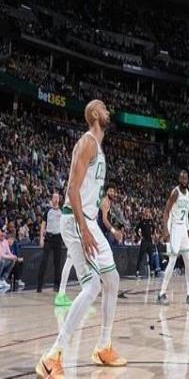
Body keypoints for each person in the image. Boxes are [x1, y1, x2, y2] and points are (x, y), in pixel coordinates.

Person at [36, 100, 126, 378]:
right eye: (104, 108)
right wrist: (84, 229)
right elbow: (72, 189)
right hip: (76, 220)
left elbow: (85, 191)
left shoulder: (98, 147)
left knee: (112, 279)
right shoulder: (87, 142)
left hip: (89, 220)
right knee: (92, 286)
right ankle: (52, 356)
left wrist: (93, 222)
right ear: (95, 114)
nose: (108, 111)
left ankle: (103, 346)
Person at [55, 181, 122, 307]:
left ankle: (66, 294)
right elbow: (104, 220)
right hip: (89, 231)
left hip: (88, 230)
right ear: (107, 191)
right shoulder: (105, 201)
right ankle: (66, 294)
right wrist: (114, 231)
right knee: (74, 263)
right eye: (111, 190)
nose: (112, 193)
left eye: (114, 191)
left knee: (73, 263)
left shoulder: (101, 198)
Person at [158, 170, 189, 306]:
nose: (184, 180)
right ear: (179, 179)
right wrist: (165, 230)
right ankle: (161, 293)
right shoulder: (175, 192)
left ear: (188, 180)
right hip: (175, 228)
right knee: (172, 260)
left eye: (186, 178)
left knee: (188, 261)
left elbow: (186, 216)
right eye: (182, 178)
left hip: (183, 229)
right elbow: (166, 211)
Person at [37, 193, 63, 293]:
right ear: (51, 199)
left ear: (59, 200)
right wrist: (41, 238)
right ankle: (39, 285)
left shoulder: (62, 211)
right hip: (49, 237)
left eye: (57, 197)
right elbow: (43, 225)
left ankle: (57, 285)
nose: (56, 199)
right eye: (54, 197)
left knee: (57, 263)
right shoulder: (48, 211)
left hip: (58, 238)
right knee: (44, 261)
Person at [135, 208, 158, 277]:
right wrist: (139, 236)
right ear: (144, 213)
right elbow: (136, 229)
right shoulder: (142, 222)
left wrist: (152, 234)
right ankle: (137, 270)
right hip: (144, 240)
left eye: (148, 212)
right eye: (146, 212)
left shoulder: (151, 221)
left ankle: (151, 271)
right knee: (141, 256)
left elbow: (154, 228)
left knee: (151, 256)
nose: (147, 213)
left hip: (150, 241)